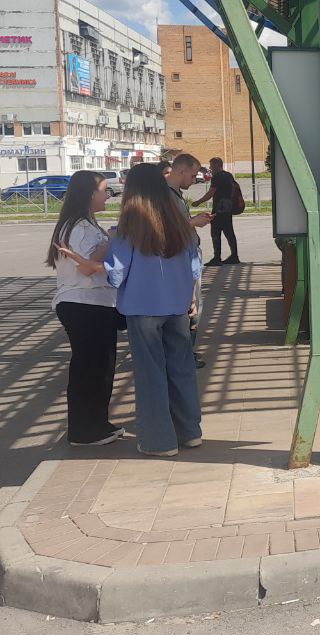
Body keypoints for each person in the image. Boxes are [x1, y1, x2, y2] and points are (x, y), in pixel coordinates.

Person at [104, 162, 203, 457]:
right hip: (177, 305)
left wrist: (110, 246)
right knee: (182, 368)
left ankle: (159, 441)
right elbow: (194, 265)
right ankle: (190, 432)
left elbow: (116, 274)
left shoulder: (128, 228)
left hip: (142, 308)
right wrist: (191, 296)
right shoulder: (179, 223)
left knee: (151, 374)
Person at [47, 170, 124, 447]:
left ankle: (96, 424)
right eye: (104, 189)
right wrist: (113, 240)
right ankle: (85, 430)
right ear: (90, 193)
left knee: (97, 367)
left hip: (93, 304)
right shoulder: (78, 226)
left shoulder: (84, 223)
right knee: (92, 368)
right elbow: (87, 266)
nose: (107, 194)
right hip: (85, 304)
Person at [167, 153, 212, 370]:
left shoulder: (174, 194)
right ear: (181, 170)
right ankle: (184, 356)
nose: (194, 180)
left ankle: (186, 353)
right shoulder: (166, 196)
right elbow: (167, 231)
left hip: (188, 255)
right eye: (193, 175)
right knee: (192, 307)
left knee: (193, 306)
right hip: (181, 260)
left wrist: (193, 222)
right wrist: (193, 222)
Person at [193, 157, 241, 266]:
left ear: (217, 165)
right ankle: (234, 256)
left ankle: (217, 258)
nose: (210, 167)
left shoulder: (217, 177)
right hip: (228, 207)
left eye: (211, 165)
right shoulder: (228, 175)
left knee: (215, 232)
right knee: (229, 232)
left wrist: (198, 202)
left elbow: (211, 193)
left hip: (219, 208)